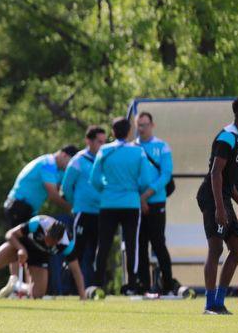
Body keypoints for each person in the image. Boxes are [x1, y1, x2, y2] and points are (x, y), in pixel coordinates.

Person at [197, 96, 238, 315]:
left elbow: (229, 182)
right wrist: (220, 208)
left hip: (223, 196)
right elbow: (215, 173)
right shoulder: (227, 136)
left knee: (237, 249)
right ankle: (210, 304)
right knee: (216, 248)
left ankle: (219, 301)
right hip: (212, 197)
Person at [89, 117, 157, 295]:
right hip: (130, 204)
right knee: (132, 244)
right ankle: (132, 285)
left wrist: (106, 188)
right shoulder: (138, 151)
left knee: (103, 244)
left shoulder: (104, 150)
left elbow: (94, 179)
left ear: (112, 132)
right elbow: (146, 181)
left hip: (108, 203)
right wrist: (133, 189)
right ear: (129, 132)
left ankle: (97, 284)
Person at [0, 215, 85, 299]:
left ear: (59, 240)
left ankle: (17, 286)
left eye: (51, 242)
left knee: (38, 295)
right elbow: (10, 234)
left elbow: (76, 271)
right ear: (47, 230)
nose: (47, 243)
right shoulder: (37, 223)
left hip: (40, 257)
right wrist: (21, 249)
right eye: (47, 238)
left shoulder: (67, 244)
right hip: (21, 245)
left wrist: (83, 297)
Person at [134, 112, 175, 294]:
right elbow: (130, 175)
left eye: (145, 124)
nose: (142, 128)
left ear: (152, 125)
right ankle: (144, 285)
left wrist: (146, 195)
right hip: (136, 203)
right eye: (139, 125)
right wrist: (138, 198)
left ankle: (167, 284)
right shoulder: (132, 147)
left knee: (158, 243)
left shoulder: (162, 146)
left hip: (156, 202)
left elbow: (165, 175)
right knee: (140, 245)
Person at [60, 126, 106, 288]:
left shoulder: (104, 159)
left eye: (104, 141)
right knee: (77, 251)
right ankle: (68, 287)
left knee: (98, 252)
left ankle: (95, 288)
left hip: (101, 213)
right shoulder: (78, 160)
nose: (102, 145)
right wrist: (76, 204)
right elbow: (66, 187)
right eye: (99, 141)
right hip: (83, 213)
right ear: (89, 141)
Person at [3, 146, 79, 226]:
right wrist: (73, 209)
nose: (69, 167)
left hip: (27, 209)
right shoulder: (48, 164)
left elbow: (65, 188)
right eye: (70, 163)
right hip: (18, 207)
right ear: (64, 155)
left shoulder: (59, 169)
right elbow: (53, 195)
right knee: (18, 236)